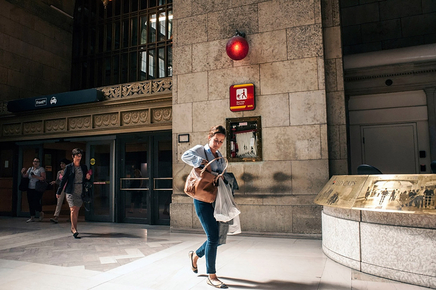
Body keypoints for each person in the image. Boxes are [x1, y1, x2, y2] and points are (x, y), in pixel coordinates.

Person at [182, 125, 228, 289]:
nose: (217, 144)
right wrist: (198, 161)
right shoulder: (201, 150)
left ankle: (195, 255)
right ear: (209, 137)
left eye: (221, 141)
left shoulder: (220, 156)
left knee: (219, 238)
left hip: (215, 198)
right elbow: (184, 156)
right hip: (201, 198)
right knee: (213, 237)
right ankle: (212, 275)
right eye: (216, 140)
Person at [57, 148, 91, 239]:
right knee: (72, 209)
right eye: (77, 156)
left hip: (80, 191)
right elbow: (64, 180)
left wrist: (88, 177)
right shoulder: (69, 167)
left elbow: (86, 179)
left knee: (76, 210)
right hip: (70, 191)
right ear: (73, 156)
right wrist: (59, 191)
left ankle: (74, 227)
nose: (79, 158)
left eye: (80, 156)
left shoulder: (83, 167)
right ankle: (73, 229)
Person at [21, 157, 46, 223]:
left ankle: (40, 212)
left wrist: (36, 176)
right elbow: (26, 176)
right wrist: (23, 172)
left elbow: (43, 178)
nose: (35, 163)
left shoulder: (41, 169)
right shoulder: (30, 169)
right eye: (34, 161)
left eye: (37, 161)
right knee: (30, 202)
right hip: (30, 187)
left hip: (37, 188)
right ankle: (32, 216)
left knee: (36, 201)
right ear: (32, 162)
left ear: (39, 163)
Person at [49, 159, 70, 223]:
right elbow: (58, 181)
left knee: (70, 203)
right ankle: (56, 217)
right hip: (61, 188)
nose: (61, 165)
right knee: (59, 202)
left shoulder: (69, 171)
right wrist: (55, 182)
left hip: (68, 188)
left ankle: (71, 217)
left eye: (63, 164)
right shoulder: (59, 172)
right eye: (61, 164)